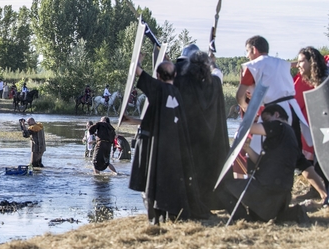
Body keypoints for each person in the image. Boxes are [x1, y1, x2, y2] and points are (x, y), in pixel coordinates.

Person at [126, 59, 208, 225]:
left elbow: (137, 70)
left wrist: (139, 58)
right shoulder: (175, 93)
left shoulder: (158, 88)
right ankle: (167, 215)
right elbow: (157, 120)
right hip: (174, 148)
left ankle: (155, 220)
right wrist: (132, 120)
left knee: (152, 181)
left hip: (157, 148)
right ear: (175, 75)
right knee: (168, 181)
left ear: (158, 76)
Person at [217, 104, 309, 223]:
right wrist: (248, 149)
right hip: (282, 194)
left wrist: (248, 115)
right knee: (260, 218)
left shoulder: (279, 126)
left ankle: (243, 220)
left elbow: (248, 128)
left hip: (267, 189)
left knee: (223, 188)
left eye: (266, 120)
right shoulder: (289, 135)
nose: (265, 123)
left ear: (276, 115)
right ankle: (292, 213)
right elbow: (262, 163)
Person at [236, 36, 311, 156]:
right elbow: (293, 64)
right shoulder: (281, 63)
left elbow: (239, 95)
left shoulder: (252, 66)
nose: (248, 56)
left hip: (275, 113)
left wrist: (245, 107)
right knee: (293, 151)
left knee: (265, 151)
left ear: (254, 50)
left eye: (248, 52)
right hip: (293, 109)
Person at [173, 50, 229, 212]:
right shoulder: (214, 83)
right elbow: (218, 73)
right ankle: (208, 202)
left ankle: (191, 203)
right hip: (209, 140)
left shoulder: (181, 83)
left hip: (188, 138)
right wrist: (213, 62)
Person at [293, 46, 329, 202]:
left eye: (301, 61)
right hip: (322, 128)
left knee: (324, 162)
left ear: (311, 61)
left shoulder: (325, 80)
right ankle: (322, 193)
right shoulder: (316, 79)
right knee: (320, 162)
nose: (298, 65)